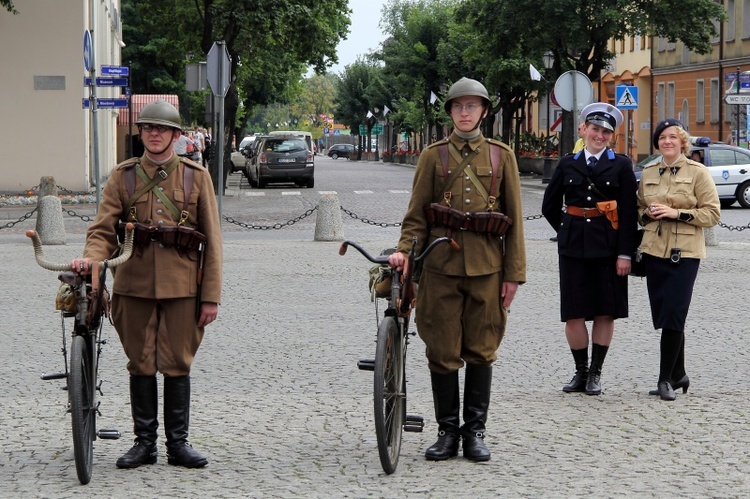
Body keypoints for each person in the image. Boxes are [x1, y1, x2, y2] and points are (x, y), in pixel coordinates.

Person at [70, 99, 222, 469]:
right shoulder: (122, 177)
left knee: (177, 363)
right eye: (148, 128)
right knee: (140, 362)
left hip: (183, 288)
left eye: (162, 129)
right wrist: (91, 257)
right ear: (140, 134)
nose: (154, 134)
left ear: (175, 135)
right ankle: (144, 444)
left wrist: (210, 297)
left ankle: (178, 445)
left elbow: (213, 241)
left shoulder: (196, 176)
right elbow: (103, 229)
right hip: (133, 286)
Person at [388, 77, 526, 462]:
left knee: (482, 350)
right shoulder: (433, 156)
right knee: (442, 349)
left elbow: (514, 221)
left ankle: (475, 432)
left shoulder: (502, 156)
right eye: (458, 107)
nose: (465, 113)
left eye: (472, 106)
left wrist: (513, 274)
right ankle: (447, 431)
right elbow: (416, 216)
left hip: (487, 268)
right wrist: (404, 253)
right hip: (440, 267)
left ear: (483, 111)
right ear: (450, 112)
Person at [541, 102, 638, 396]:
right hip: (573, 248)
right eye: (595, 129)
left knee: (605, 311)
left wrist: (625, 254)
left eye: (606, 131)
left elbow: (630, 213)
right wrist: (567, 229)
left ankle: (596, 372)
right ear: (584, 129)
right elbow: (549, 205)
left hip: (608, 247)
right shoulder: (568, 163)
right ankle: (580, 372)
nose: (600, 135)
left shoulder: (621, 165)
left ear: (611, 136)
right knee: (573, 312)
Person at [638, 119, 720, 401]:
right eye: (662, 137)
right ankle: (680, 372)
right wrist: (648, 213)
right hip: (654, 251)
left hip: (684, 254)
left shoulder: (698, 173)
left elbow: (712, 214)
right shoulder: (649, 171)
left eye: (673, 137)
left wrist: (677, 214)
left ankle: (664, 380)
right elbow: (638, 208)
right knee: (667, 316)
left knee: (674, 313)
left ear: (682, 142)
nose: (667, 141)